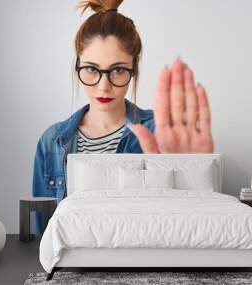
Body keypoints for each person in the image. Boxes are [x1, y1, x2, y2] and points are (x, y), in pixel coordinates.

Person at [32, 0, 214, 235]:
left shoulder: (160, 131)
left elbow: (192, 230)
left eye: (118, 70)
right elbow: (42, 237)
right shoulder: (52, 142)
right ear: (78, 67)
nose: (103, 86)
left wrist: (193, 172)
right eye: (91, 69)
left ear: (134, 69)